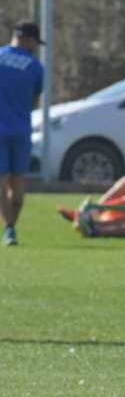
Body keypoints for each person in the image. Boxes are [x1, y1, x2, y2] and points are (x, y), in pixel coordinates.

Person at [0, 21, 45, 246]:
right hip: (21, 130)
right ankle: (11, 228)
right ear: (28, 39)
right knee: (17, 184)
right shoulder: (36, 67)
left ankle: (9, 229)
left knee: (1, 182)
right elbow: (35, 100)